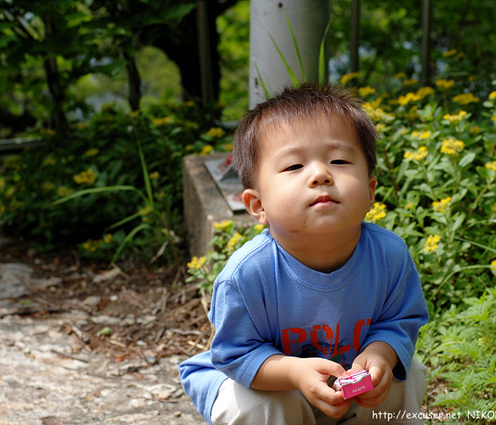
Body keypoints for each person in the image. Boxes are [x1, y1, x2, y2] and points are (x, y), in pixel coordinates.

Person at [179, 83, 430, 425]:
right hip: (266, 385)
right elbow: (234, 354)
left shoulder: (388, 256)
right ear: (257, 205)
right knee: (265, 406)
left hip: (343, 385)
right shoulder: (248, 274)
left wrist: (380, 353)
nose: (320, 174)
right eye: (294, 166)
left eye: (339, 160)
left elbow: (399, 321)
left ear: (370, 191)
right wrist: (295, 374)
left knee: (406, 374)